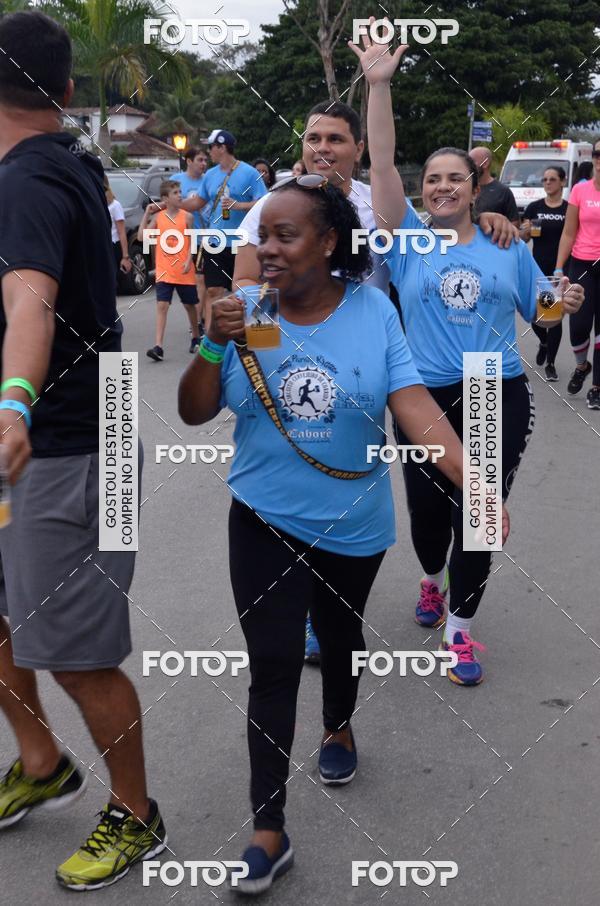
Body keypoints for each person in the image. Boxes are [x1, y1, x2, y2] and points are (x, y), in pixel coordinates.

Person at [179, 178, 471, 894]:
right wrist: (212, 348)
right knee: (274, 665)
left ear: (330, 242)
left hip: (354, 521)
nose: (266, 250)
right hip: (262, 517)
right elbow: (193, 413)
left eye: (284, 236)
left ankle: (338, 727)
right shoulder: (245, 311)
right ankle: (267, 830)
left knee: (340, 637)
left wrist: (475, 479)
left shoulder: (373, 311)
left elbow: (410, 403)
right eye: (261, 237)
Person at [234, 99, 519, 665]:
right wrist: (265, 361)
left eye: (336, 139)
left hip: (381, 382)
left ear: (357, 149)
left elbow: (429, 207)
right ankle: (321, 618)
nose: (322, 148)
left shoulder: (375, 208)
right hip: (291, 384)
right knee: (304, 501)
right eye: (314, 137)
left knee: (351, 498)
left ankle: (436, 622)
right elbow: (246, 282)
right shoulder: (273, 204)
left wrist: (489, 218)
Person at [351, 25, 584, 684]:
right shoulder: (405, 242)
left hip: (493, 388)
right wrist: (379, 85)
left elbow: (538, 307)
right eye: (434, 179)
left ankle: (461, 630)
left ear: (473, 188)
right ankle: (431, 578)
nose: (444, 187)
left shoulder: (506, 245)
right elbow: (382, 163)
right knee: (428, 519)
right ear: (423, 189)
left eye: (455, 178)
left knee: (477, 517)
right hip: (422, 393)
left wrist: (558, 303)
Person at [0, 10, 166, 890]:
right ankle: (39, 762)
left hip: (64, 446)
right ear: (66, 92)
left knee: (76, 649)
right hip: (65, 430)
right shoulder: (61, 166)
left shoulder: (29, 181)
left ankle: (138, 814)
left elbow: (30, 302)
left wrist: (13, 403)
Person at [179, 129, 267, 329]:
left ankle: (250, 332)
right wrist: (172, 205)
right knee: (213, 291)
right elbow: (199, 202)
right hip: (215, 242)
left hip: (242, 243)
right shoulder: (210, 175)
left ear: (222, 147)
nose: (208, 152)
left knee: (243, 290)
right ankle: (211, 338)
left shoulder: (248, 172)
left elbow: (264, 201)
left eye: (211, 147)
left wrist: (239, 206)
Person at [555, 137, 600, 408]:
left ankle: (596, 387)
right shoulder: (580, 191)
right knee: (579, 326)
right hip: (582, 265)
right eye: (597, 153)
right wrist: (560, 267)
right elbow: (569, 231)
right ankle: (582, 366)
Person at [139, 180, 200, 360]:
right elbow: (142, 236)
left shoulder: (187, 217)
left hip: (183, 269)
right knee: (162, 306)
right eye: (175, 193)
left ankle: (196, 337)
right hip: (164, 269)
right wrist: (147, 214)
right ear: (165, 198)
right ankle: (158, 346)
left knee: (189, 305)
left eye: (180, 192)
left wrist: (189, 259)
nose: (180, 195)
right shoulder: (159, 217)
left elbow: (192, 241)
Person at [520, 166, 568, 381]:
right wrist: (526, 231)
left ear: (562, 182)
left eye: (552, 179)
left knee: (554, 316)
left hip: (559, 270)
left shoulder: (568, 209)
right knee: (537, 316)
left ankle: (551, 364)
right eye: (545, 179)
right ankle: (544, 342)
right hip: (537, 269)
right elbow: (524, 240)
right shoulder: (534, 207)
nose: (547, 182)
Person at [172, 146, 209, 333]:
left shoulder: (208, 180)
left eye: (205, 160)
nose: (204, 164)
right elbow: (168, 206)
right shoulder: (176, 181)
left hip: (204, 237)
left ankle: (198, 323)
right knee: (189, 282)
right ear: (188, 161)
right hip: (182, 239)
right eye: (200, 160)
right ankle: (197, 319)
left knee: (201, 279)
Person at [470, 146, 520, 225]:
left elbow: (514, 223)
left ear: (485, 163)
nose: (468, 166)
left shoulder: (503, 191)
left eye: (472, 162)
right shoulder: (465, 189)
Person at [104, 174, 132, 281]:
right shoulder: (95, 204)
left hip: (112, 246)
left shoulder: (115, 205)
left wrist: (125, 256)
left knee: (110, 281)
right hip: (99, 246)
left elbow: (121, 232)